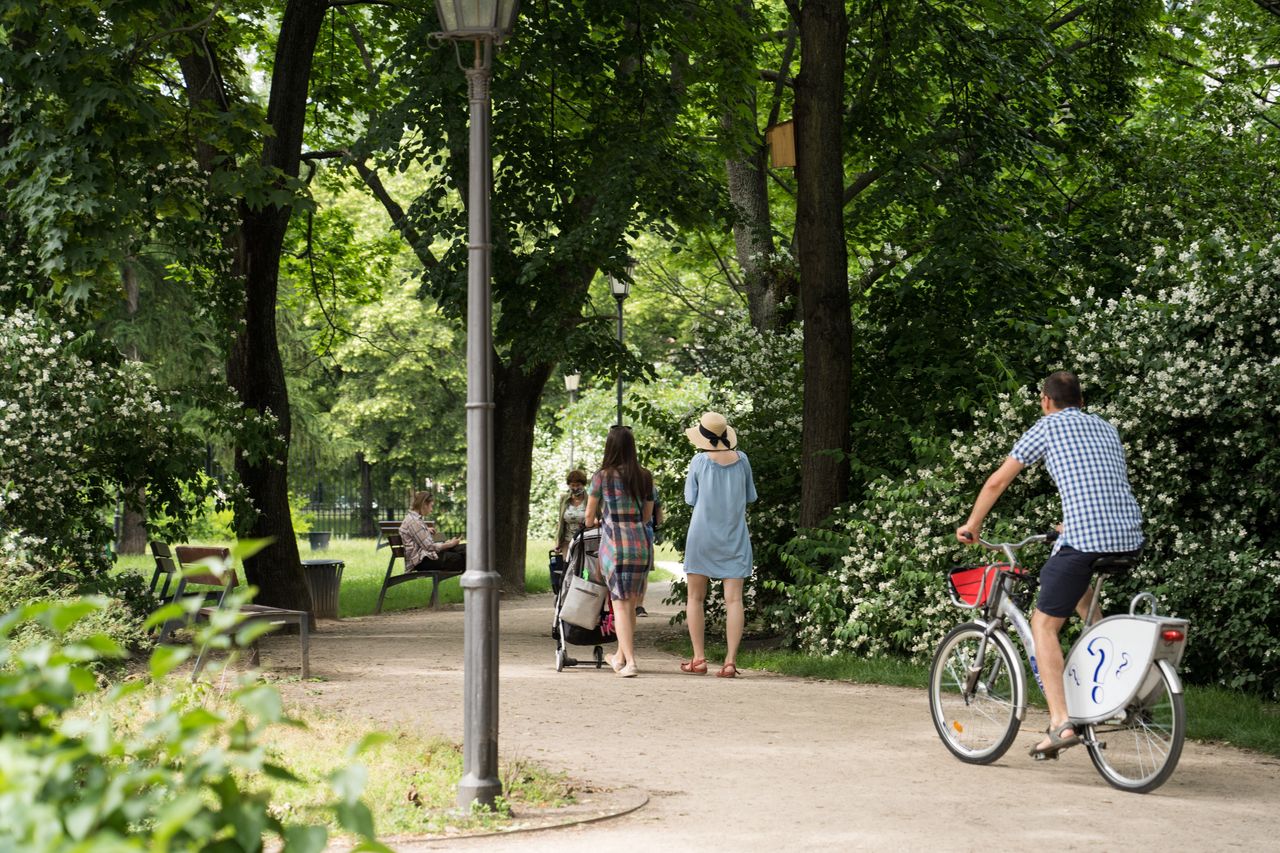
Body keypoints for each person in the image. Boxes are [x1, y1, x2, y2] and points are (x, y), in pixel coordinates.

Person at [955, 370, 1143, 759]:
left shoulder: (1046, 427)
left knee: (1043, 624)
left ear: (1045, 401)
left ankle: (1061, 722)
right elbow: (1099, 484)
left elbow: (997, 483)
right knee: (1070, 586)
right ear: (1082, 401)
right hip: (1127, 536)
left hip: (1087, 538)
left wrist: (972, 525)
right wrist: (1066, 524)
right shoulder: (1106, 428)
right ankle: (1109, 670)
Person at [680, 411, 758, 679]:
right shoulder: (743, 460)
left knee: (695, 597)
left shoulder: (699, 461)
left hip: (702, 535)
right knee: (735, 600)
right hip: (734, 535)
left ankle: (699, 658)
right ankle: (729, 662)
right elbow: (750, 495)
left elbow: (691, 498)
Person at [585, 425, 654, 678]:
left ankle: (631, 662)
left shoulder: (601, 477)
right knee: (630, 604)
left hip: (615, 546)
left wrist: (598, 521)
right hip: (640, 546)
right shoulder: (645, 476)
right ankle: (620, 656)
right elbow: (647, 516)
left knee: (620, 606)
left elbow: (589, 517)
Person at [400, 490, 466, 573]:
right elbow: (429, 546)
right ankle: (477, 582)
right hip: (422, 561)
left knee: (465, 549)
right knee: (460, 558)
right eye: (431, 506)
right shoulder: (414, 521)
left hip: (427, 556)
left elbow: (423, 540)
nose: (431, 510)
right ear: (424, 504)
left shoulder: (415, 519)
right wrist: (449, 544)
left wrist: (426, 530)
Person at [636, 484, 663, 618]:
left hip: (646, 533)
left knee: (643, 571)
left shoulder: (649, 487)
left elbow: (658, 508)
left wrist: (659, 529)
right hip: (625, 533)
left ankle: (639, 605)